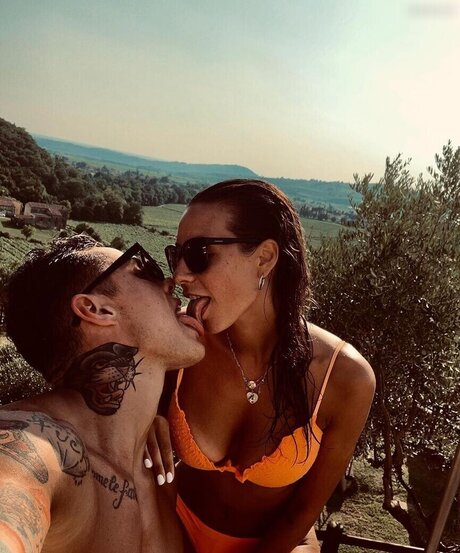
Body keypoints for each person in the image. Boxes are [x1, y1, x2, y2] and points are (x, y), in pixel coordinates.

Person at [146, 179, 376, 553]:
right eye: (177, 256)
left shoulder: (344, 378)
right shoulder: (182, 341)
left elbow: (302, 513)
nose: (181, 275)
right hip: (173, 530)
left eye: (199, 254)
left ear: (264, 258)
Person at [0, 235, 205, 553]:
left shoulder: (156, 473)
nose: (170, 281)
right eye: (144, 269)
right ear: (96, 309)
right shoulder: (31, 447)